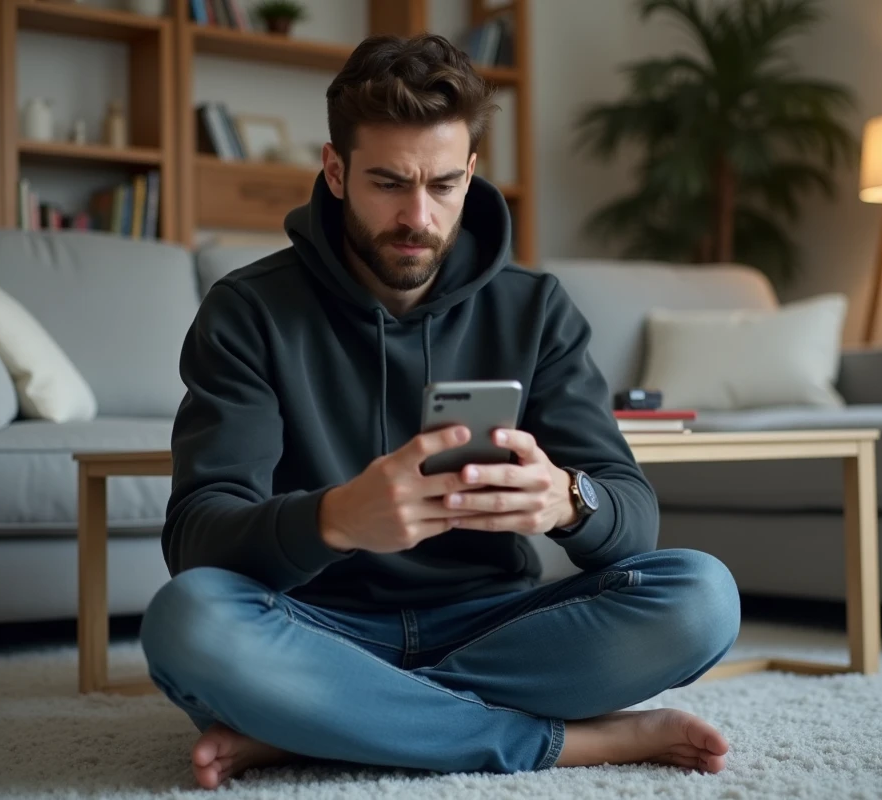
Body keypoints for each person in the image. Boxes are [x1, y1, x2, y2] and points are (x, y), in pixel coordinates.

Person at [140, 32, 741, 790]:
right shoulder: (248, 312)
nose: (417, 216)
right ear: (334, 170)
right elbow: (197, 538)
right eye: (388, 183)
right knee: (186, 622)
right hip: (315, 628)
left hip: (496, 625)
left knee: (702, 597)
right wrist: (334, 520)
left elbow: (633, 518)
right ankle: (568, 743)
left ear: (471, 174)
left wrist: (567, 501)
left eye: (443, 185)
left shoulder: (536, 311)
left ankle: (318, 728)